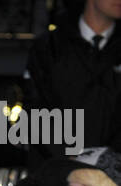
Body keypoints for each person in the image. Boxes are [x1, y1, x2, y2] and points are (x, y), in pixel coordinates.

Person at [24, 0, 121, 167]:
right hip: (57, 175)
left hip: (114, 178)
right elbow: (35, 111)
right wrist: (67, 159)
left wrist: (110, 163)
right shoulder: (48, 48)